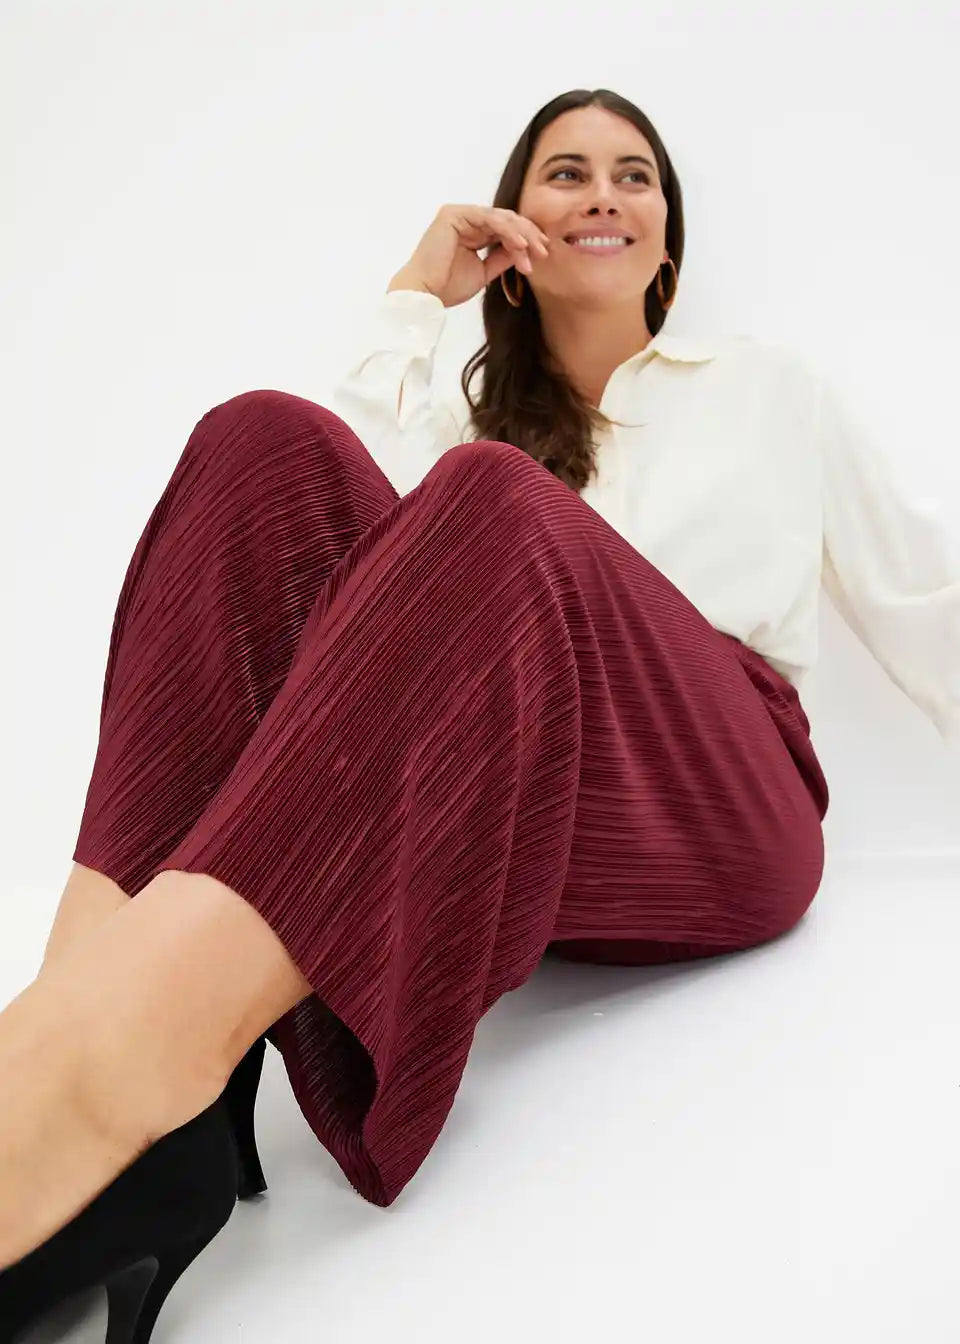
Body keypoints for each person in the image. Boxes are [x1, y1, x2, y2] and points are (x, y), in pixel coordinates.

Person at [1, 87, 956, 1340]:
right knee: (260, 444)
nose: (603, 193)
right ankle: (85, 1034)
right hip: (516, 797)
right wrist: (415, 297)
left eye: (634, 175)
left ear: (668, 237)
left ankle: (96, 1079)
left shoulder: (770, 389)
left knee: (497, 501)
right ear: (519, 229)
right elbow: (317, 582)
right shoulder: (466, 422)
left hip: (719, 790)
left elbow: (926, 598)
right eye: (566, 172)